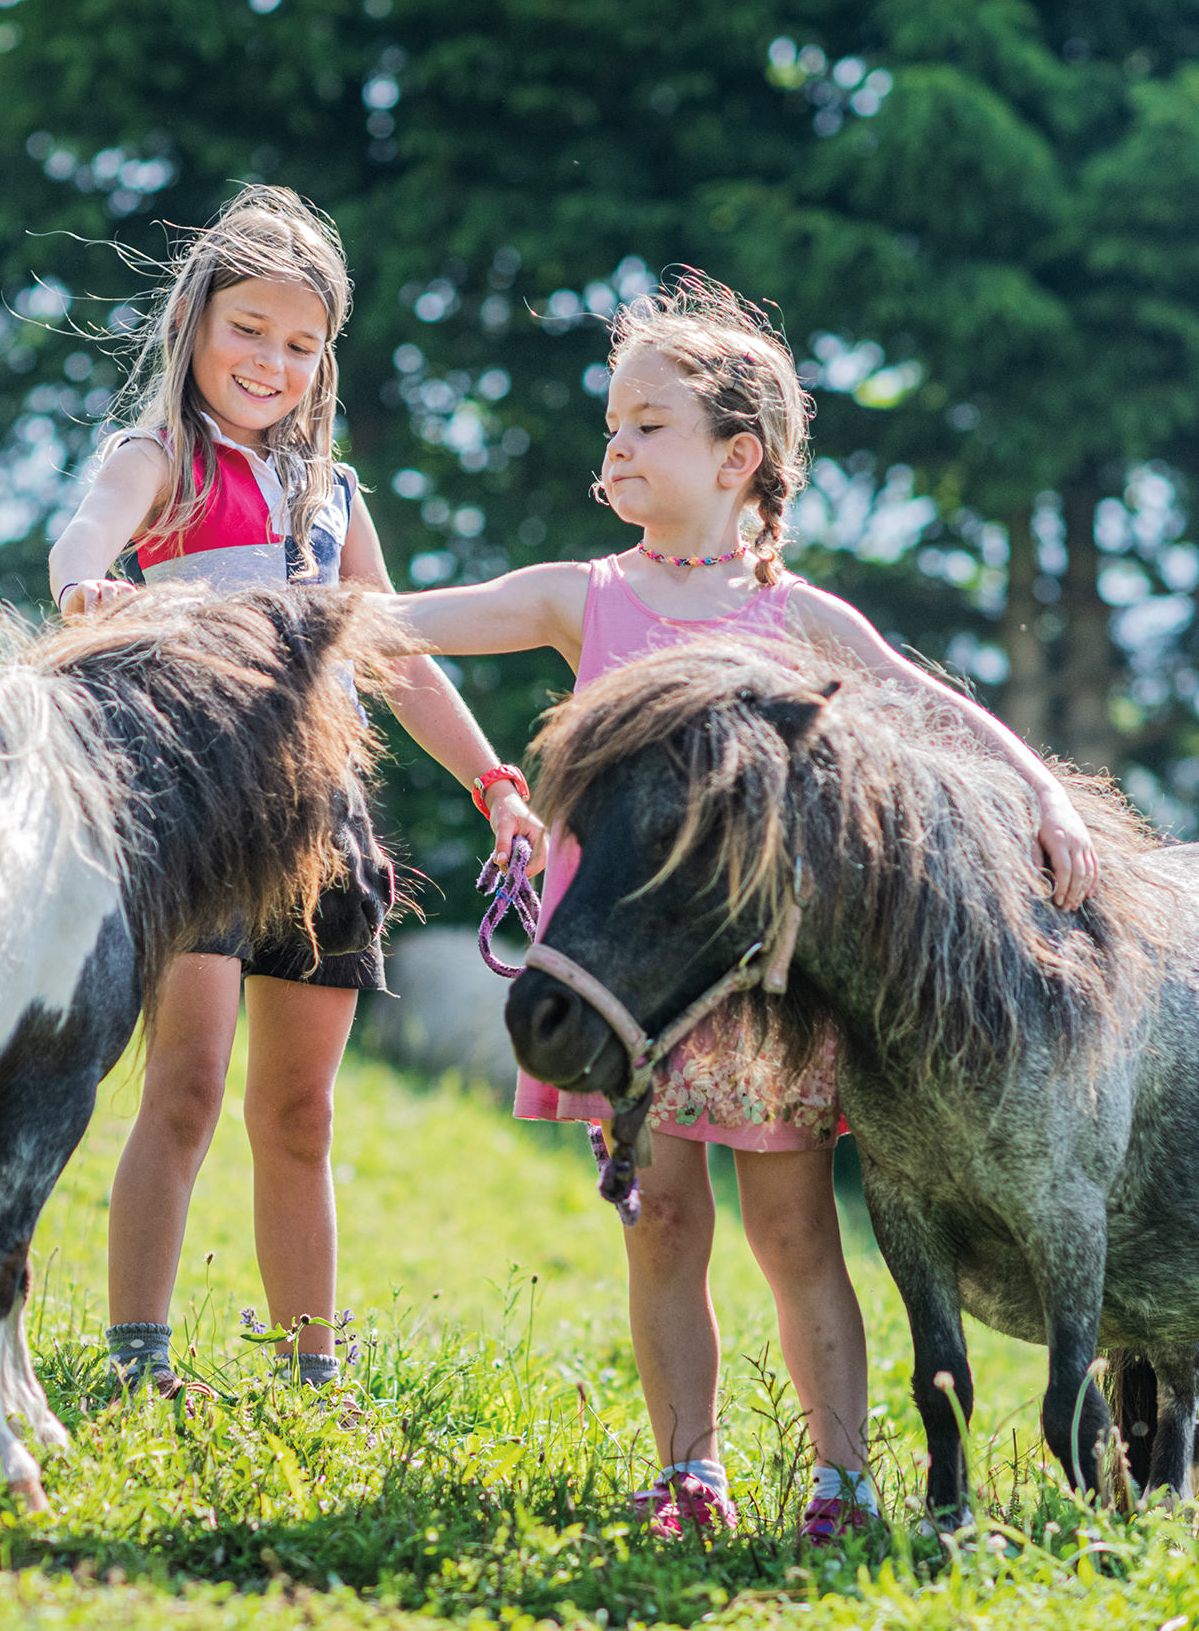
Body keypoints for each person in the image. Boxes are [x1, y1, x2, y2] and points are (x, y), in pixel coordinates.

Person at [373, 274, 1099, 1544]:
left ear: (738, 455)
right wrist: (231, 604)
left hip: (760, 991)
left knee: (793, 1231)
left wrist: (1045, 799)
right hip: (616, 980)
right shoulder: (579, 597)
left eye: (647, 424)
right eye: (611, 427)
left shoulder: (794, 617)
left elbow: (936, 712)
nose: (615, 448)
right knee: (661, 1224)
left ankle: (842, 1483)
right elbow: (398, 622)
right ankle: (685, 1475)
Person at [46, 184, 547, 1397]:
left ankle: (310, 1372)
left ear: (324, 359)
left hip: (324, 827)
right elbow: (82, 534)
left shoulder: (333, 497)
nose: (269, 360)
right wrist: (84, 590)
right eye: (246, 330)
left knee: (302, 1116)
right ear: (193, 331)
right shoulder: (157, 454)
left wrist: (491, 782)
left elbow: (395, 651)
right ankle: (135, 1359)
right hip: (195, 818)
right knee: (186, 1085)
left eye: (299, 342)